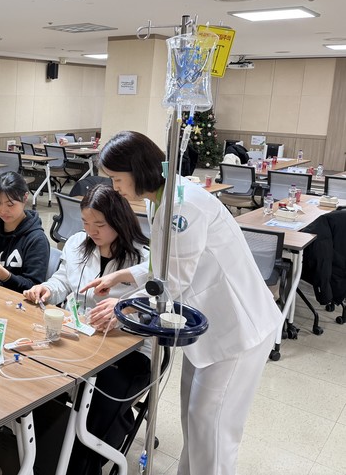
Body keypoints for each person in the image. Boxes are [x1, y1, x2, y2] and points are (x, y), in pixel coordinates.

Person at [86, 130, 283, 475]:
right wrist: (121, 276)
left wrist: (124, 308)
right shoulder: (160, 198)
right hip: (206, 326)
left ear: (137, 170)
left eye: (117, 179)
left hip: (239, 330)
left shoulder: (183, 205)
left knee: (213, 430)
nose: (115, 188)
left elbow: (173, 281)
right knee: (195, 420)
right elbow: (164, 263)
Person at [24, 185, 151, 475]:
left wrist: (122, 313)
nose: (91, 231)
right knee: (41, 380)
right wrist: (46, 289)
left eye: (100, 225)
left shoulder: (143, 260)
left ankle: (84, 464)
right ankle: (47, 452)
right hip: (80, 339)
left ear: (119, 221)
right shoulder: (77, 243)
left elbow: (154, 309)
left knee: (100, 402)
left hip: (129, 351)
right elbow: (63, 281)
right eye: (85, 222)